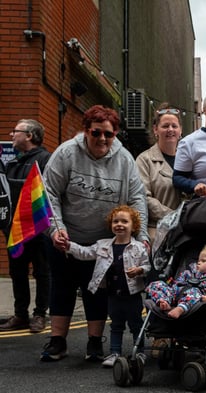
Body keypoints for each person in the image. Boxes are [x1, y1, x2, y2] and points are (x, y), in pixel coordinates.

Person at [41, 105, 149, 362]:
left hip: (103, 239)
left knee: (98, 289)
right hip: (65, 234)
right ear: (86, 131)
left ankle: (94, 343)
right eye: (96, 133)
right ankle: (58, 341)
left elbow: (137, 199)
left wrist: (142, 236)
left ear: (116, 134)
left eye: (108, 134)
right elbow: (49, 193)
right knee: (62, 286)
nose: (102, 139)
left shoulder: (124, 161)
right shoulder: (66, 153)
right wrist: (57, 230)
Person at [65, 205, 150, 368]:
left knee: (136, 325)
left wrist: (139, 270)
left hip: (132, 295)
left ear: (134, 227)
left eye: (124, 221)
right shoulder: (103, 245)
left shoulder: (138, 247)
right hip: (112, 295)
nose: (119, 224)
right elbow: (85, 253)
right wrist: (69, 246)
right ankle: (115, 353)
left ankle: (139, 352)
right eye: (115, 221)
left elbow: (147, 267)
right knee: (116, 325)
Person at [0, 119, 51, 333]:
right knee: (17, 272)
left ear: (29, 136)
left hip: (39, 229)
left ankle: (40, 314)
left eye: (16, 132)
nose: (12, 135)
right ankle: (21, 314)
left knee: (42, 272)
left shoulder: (46, 160)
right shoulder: (14, 163)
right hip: (16, 229)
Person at [135, 103, 184, 243]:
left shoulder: (189, 159)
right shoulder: (144, 160)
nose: (170, 129)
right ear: (155, 129)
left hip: (185, 232)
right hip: (156, 233)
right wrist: (175, 216)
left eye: (174, 126)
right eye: (165, 126)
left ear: (180, 130)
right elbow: (144, 197)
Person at [146, 244, 206, 319]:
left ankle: (180, 309)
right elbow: (177, 282)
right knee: (156, 284)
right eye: (198, 260)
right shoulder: (188, 273)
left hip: (194, 299)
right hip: (176, 293)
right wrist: (171, 286)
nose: (198, 262)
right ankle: (164, 301)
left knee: (194, 291)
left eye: (203, 261)